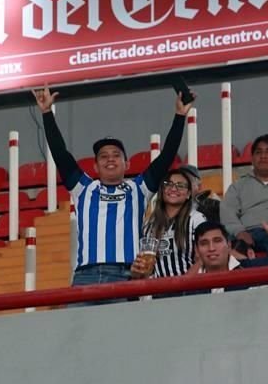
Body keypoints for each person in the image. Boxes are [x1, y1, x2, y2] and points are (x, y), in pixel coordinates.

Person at [33, 86, 194, 287]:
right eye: (103, 156)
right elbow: (60, 153)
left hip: (126, 274)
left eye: (116, 155)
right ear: (95, 166)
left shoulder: (140, 188)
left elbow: (167, 155)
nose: (110, 159)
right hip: (85, 276)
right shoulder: (83, 188)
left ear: (127, 164)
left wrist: (179, 116)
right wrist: (47, 113)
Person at [131, 168, 206, 279]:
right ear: (162, 190)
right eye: (168, 184)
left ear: (188, 194)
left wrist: (182, 285)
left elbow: (203, 259)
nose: (174, 188)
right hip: (157, 291)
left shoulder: (196, 219)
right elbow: (145, 269)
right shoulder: (148, 225)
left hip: (190, 289)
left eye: (180, 185)